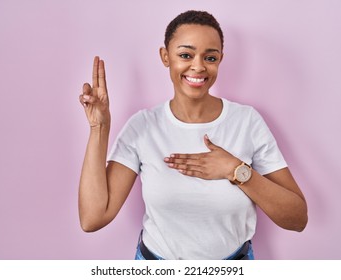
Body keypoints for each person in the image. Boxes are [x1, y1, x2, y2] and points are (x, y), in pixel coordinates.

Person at [78, 10, 308, 260]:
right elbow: (93, 218)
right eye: (185, 55)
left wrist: (237, 171)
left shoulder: (247, 121)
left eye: (210, 57)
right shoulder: (142, 126)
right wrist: (99, 128)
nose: (198, 66)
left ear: (220, 59)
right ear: (165, 56)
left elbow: (297, 218)